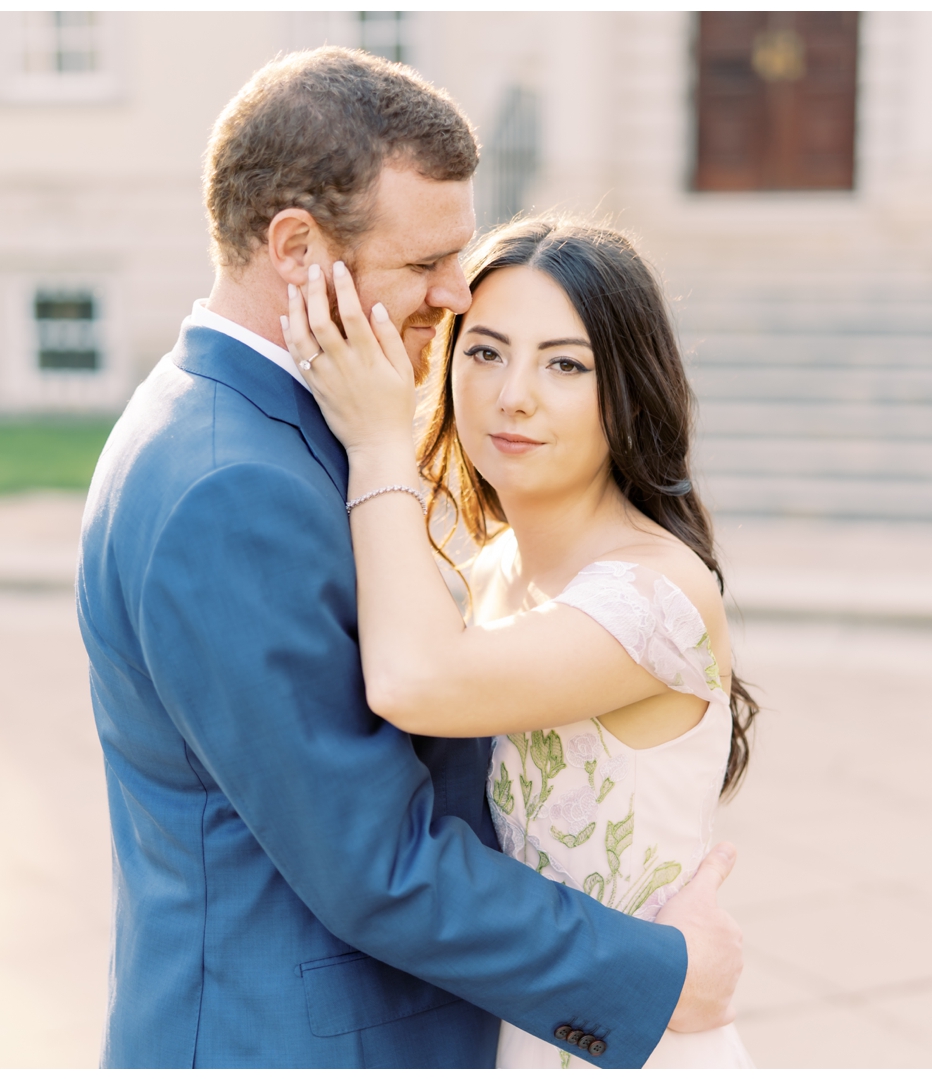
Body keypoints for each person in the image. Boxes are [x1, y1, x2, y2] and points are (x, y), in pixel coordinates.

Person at [77, 47, 745, 1069]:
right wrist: (652, 976)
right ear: (295, 248)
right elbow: (373, 863)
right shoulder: (232, 485)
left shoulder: (248, 428)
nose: (454, 294)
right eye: (423, 264)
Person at [282, 215, 759, 1068]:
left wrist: (379, 437)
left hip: (640, 1048)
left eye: (565, 364)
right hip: (526, 1030)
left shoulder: (656, 593)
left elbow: (414, 682)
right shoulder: (488, 570)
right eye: (486, 351)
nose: (514, 396)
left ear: (628, 389)